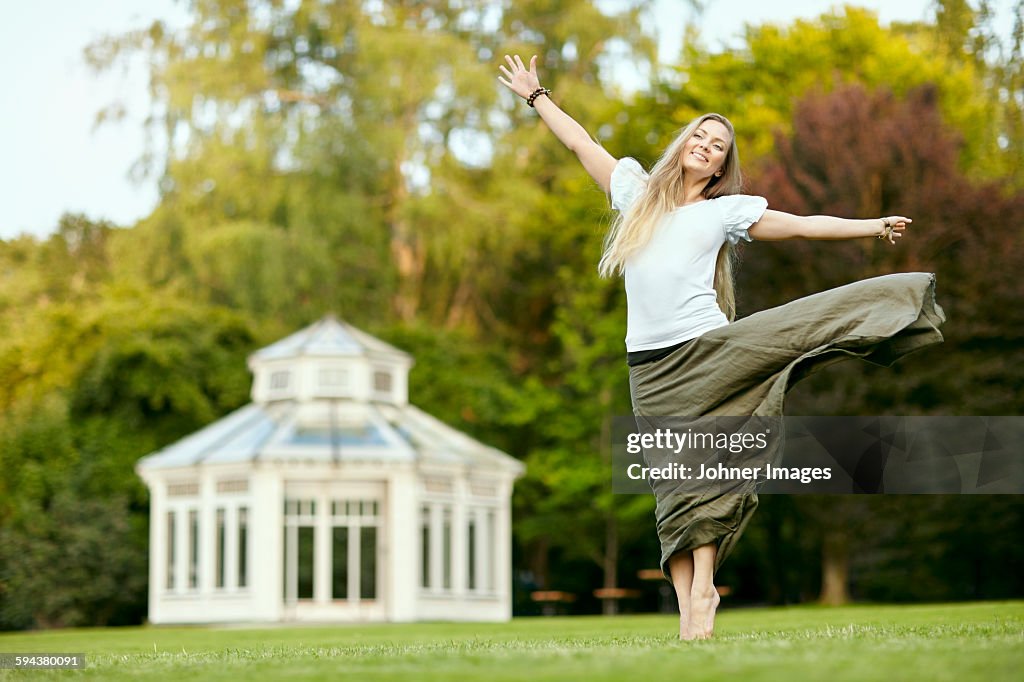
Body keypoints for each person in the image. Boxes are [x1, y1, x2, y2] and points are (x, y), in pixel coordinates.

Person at [498, 54, 945, 640]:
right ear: (684, 144)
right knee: (674, 488)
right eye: (700, 137)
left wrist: (870, 225)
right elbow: (581, 143)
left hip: (710, 350)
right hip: (650, 370)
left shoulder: (724, 212)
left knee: (771, 369)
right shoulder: (636, 193)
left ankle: (895, 307)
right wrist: (537, 97)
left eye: (717, 146)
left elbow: (802, 224)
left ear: (720, 167)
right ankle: (691, 606)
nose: (706, 146)